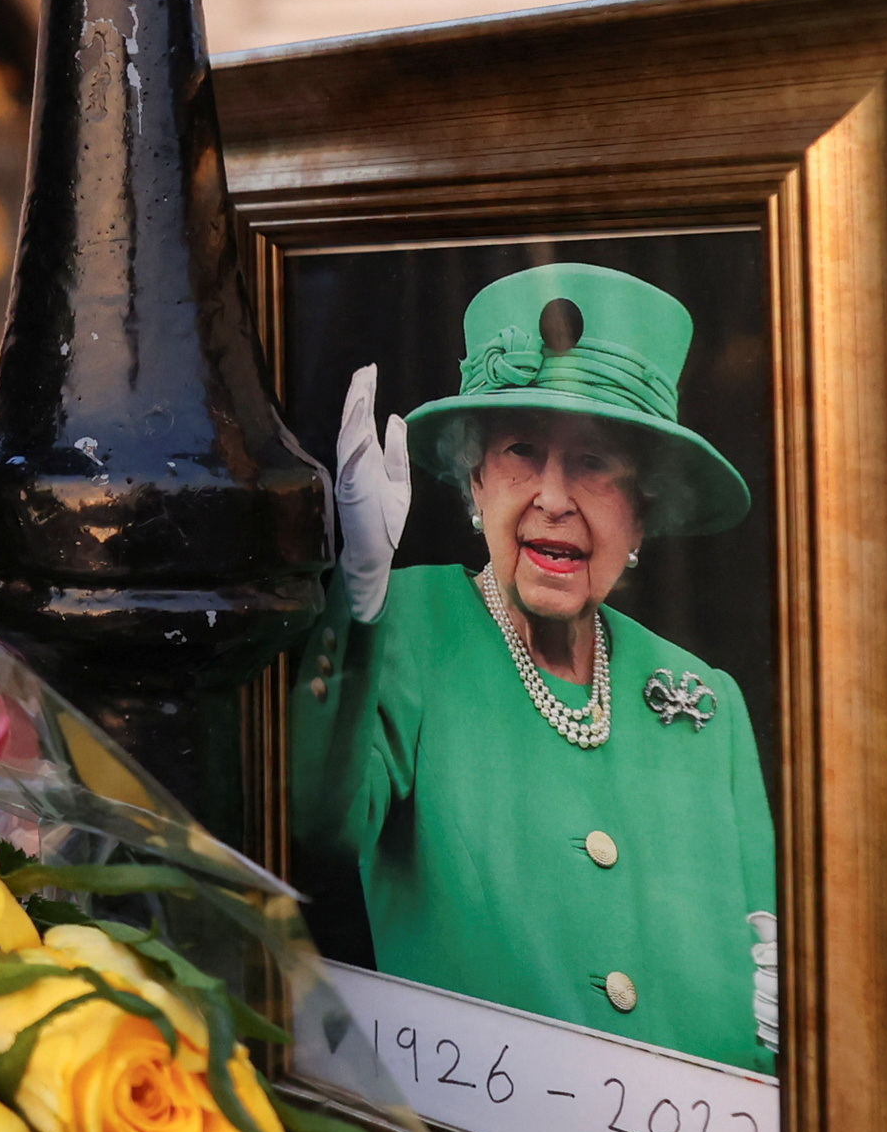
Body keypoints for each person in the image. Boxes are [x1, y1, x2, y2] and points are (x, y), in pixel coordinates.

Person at [290, 261, 778, 1072]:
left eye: (596, 462)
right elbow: (318, 823)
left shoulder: (709, 701)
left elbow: (768, 980)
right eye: (522, 450)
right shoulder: (410, 625)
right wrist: (360, 599)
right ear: (475, 481)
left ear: (643, 509)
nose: (554, 496)